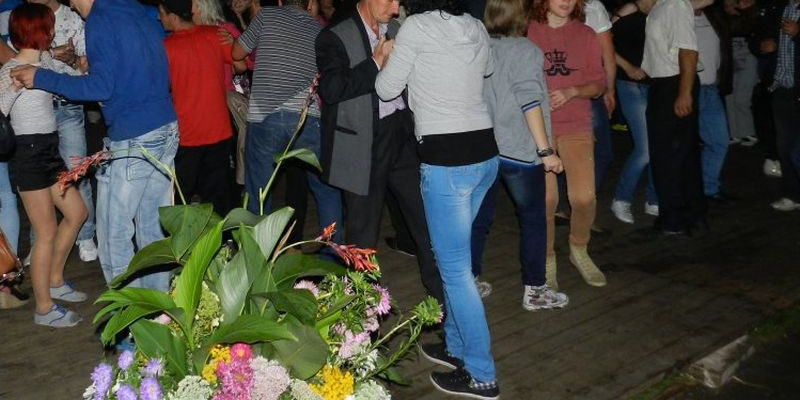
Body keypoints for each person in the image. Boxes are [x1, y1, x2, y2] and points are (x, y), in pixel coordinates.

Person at [11, 0, 180, 292]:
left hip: (135, 136)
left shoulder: (100, 20)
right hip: (165, 127)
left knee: (114, 233)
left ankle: (127, 314)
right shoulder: (137, 10)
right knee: (152, 229)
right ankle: (157, 309)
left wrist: (40, 77)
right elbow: (142, 67)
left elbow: (102, 88)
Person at [375, 0, 499, 397]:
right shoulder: (475, 25)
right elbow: (487, 68)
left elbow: (385, 89)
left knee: (455, 271)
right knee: (454, 261)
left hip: (447, 163)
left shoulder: (415, 27)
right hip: (485, 156)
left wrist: (385, 55)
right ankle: (456, 347)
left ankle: (482, 374)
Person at [315, 0, 444, 305]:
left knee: (426, 220)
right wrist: (375, 62)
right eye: (390, 0)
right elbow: (332, 90)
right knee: (363, 232)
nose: (396, 8)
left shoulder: (399, 28)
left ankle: (443, 296)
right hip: (363, 143)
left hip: (402, 132)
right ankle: (362, 310)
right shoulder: (335, 35)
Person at [471, 0, 569, 311]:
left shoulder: (480, 46)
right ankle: (535, 290)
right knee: (533, 219)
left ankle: (469, 281)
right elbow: (530, 101)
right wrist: (546, 150)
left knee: (479, 218)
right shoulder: (526, 51)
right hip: (518, 150)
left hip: (484, 146)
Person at [0, 2, 88, 326]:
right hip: (27, 153)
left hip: (49, 149)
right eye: (49, 26)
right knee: (46, 230)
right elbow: (0, 111)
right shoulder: (9, 69)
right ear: (40, 30)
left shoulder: (45, 60)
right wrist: (14, 87)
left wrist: (75, 63)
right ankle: (44, 308)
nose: (53, 30)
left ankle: (54, 279)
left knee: (77, 213)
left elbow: (74, 80)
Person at [233, 0, 344, 246]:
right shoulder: (319, 30)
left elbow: (236, 53)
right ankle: (334, 254)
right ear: (309, 4)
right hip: (306, 117)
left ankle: (257, 256)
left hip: (265, 117)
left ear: (281, 1)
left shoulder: (267, 16)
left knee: (259, 192)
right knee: (326, 191)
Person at [528, 0, 607, 288]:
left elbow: (599, 84)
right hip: (539, 129)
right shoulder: (528, 31)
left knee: (584, 197)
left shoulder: (585, 34)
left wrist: (573, 91)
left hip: (576, 124)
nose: (566, 0)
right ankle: (547, 257)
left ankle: (579, 248)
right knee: (546, 200)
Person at [158, 0, 244, 216]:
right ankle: (221, 236)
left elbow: (162, 86)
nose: (159, 18)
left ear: (173, 16)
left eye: (161, 13)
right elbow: (241, 64)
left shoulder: (166, 47)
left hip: (187, 134)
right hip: (219, 130)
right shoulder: (215, 35)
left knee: (180, 198)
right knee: (218, 197)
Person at [28, 0, 97, 263]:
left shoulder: (74, 17)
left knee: (76, 170)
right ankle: (38, 243)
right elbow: (18, 58)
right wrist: (51, 54)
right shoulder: (27, 17)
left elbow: (89, 68)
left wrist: (73, 60)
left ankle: (86, 234)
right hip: (37, 107)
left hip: (68, 106)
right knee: (40, 177)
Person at [641, 0, 706, 234]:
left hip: (673, 83)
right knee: (681, 154)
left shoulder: (674, 4)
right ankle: (690, 215)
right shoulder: (662, 5)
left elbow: (687, 50)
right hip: (666, 84)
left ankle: (674, 219)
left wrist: (684, 92)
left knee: (669, 156)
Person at [609, 0, 660, 224]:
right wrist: (628, 66)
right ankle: (621, 199)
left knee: (658, 144)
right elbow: (601, 42)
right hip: (630, 84)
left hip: (657, 84)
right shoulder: (627, 12)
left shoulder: (664, 10)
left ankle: (654, 198)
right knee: (646, 148)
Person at [752, 0, 800, 212]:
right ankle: (793, 194)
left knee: (797, 149)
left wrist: (798, 33)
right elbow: (755, 37)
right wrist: (761, 46)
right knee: (785, 146)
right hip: (781, 88)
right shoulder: (776, 7)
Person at [694, 1, 732, 202]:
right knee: (683, 145)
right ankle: (685, 191)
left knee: (719, 141)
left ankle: (707, 188)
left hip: (711, 89)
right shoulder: (675, 17)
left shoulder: (713, 16)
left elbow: (737, 30)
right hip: (688, 90)